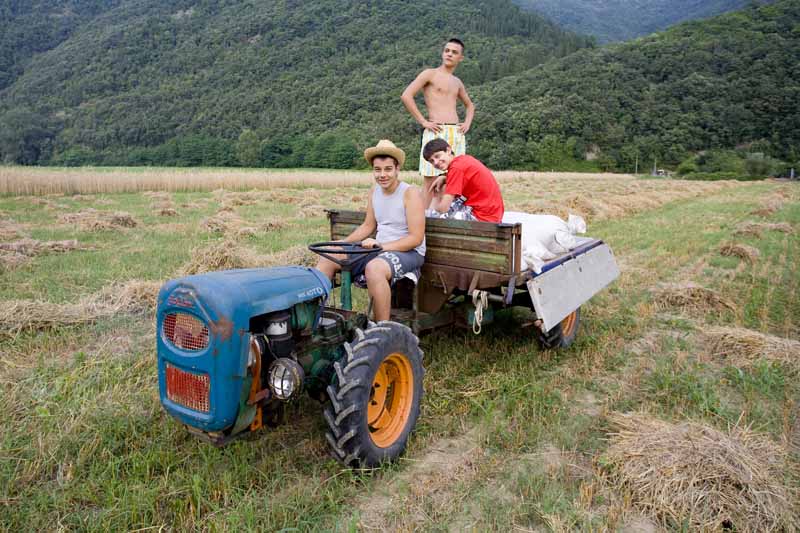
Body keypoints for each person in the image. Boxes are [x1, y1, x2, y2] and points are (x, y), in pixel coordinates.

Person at [314, 140, 426, 322]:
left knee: (374, 268)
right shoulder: (374, 191)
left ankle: (381, 329)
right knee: (329, 256)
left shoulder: (410, 193)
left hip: (409, 251)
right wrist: (342, 244)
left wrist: (381, 246)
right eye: (377, 169)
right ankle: (316, 318)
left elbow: (416, 238)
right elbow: (368, 226)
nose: (383, 175)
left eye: (388, 169)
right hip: (379, 248)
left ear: (397, 169)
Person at [401, 38, 474, 210]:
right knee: (429, 180)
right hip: (436, 130)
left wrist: (467, 123)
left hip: (455, 132)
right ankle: (420, 223)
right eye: (447, 50)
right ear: (443, 53)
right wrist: (423, 121)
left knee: (452, 179)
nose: (449, 54)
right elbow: (406, 95)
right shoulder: (430, 74)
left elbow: (470, 105)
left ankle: (441, 220)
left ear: (460, 58)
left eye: (454, 52)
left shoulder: (457, 82)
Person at [422, 138, 504, 223]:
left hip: (483, 217)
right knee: (435, 208)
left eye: (437, 156)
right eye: (431, 161)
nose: (435, 162)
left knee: (433, 219)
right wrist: (444, 178)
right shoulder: (463, 160)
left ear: (448, 150)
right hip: (493, 213)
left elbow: (443, 208)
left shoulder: (456, 168)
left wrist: (432, 211)